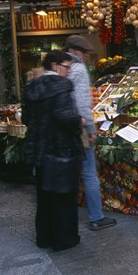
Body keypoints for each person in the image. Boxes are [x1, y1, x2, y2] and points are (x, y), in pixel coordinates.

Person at [22, 50, 84, 251]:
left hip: (40, 150)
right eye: (67, 67)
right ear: (56, 65)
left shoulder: (32, 86)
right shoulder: (62, 86)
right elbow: (65, 116)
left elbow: (25, 119)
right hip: (60, 149)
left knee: (44, 195)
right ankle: (63, 239)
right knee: (63, 196)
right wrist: (79, 122)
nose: (68, 72)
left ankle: (44, 238)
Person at [65, 35, 117, 231]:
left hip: (65, 126)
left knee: (70, 172)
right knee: (89, 172)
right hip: (79, 126)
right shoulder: (78, 69)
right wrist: (91, 129)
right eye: (84, 52)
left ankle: (67, 215)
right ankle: (96, 217)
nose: (86, 56)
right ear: (75, 51)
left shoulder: (59, 68)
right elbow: (82, 103)